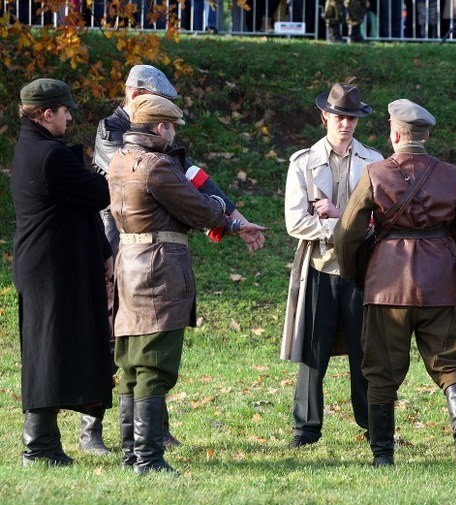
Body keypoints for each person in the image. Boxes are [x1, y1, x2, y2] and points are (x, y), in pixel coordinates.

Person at [83, 64, 266, 456]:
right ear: (143, 105)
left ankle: (139, 445)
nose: (175, 131)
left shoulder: (141, 153)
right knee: (140, 354)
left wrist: (231, 213)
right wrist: (221, 213)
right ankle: (107, 436)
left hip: (133, 256)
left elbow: (191, 175)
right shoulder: (117, 141)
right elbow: (187, 196)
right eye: (170, 122)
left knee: (136, 356)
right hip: (126, 251)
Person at [334, 99, 456, 466]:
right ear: (426, 135)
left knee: (381, 371)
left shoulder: (375, 173)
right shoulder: (450, 174)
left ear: (394, 133)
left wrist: (354, 272)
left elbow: (348, 233)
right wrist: (455, 264)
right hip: (440, 285)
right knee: (451, 364)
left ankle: (383, 455)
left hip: (387, 286)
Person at [11, 78, 114, 467]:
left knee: (52, 349)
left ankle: (45, 444)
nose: (70, 116)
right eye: (65, 110)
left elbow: (80, 208)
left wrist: (104, 251)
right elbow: (97, 195)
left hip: (50, 265)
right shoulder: (49, 156)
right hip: (49, 269)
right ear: (46, 113)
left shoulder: (38, 149)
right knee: (46, 351)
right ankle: (38, 448)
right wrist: (112, 168)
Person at [281, 83, 382, 449]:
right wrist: (342, 228)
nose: (345, 124)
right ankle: (305, 431)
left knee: (365, 352)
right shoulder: (302, 162)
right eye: (339, 116)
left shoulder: (374, 161)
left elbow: (382, 221)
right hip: (319, 269)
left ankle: (374, 426)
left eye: (352, 118)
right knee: (312, 351)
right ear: (325, 116)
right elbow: (295, 223)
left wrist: (339, 220)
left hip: (360, 270)